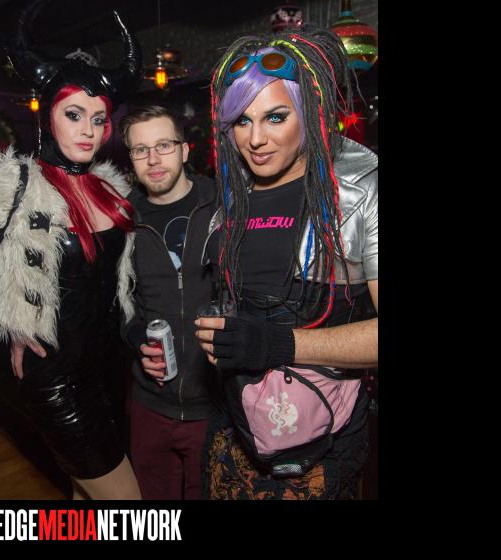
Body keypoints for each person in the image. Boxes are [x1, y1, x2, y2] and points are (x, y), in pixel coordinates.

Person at [195, 26, 378, 499]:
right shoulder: (232, 197)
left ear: (309, 112)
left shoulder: (359, 194)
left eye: (275, 117)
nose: (255, 139)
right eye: (242, 120)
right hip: (234, 424)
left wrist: (278, 344)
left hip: (322, 437)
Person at [0, 0, 143, 500]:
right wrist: (13, 319)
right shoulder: (15, 184)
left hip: (109, 370)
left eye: (98, 119)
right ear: (48, 114)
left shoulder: (111, 190)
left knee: (84, 497)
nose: (88, 131)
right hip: (55, 378)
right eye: (74, 115)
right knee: (129, 505)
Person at [117, 106, 218, 500]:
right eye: (141, 150)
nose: (154, 159)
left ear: (185, 150)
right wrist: (137, 337)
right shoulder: (121, 220)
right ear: (130, 158)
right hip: (150, 406)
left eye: (164, 145)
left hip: (214, 405)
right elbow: (118, 304)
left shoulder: (222, 203)